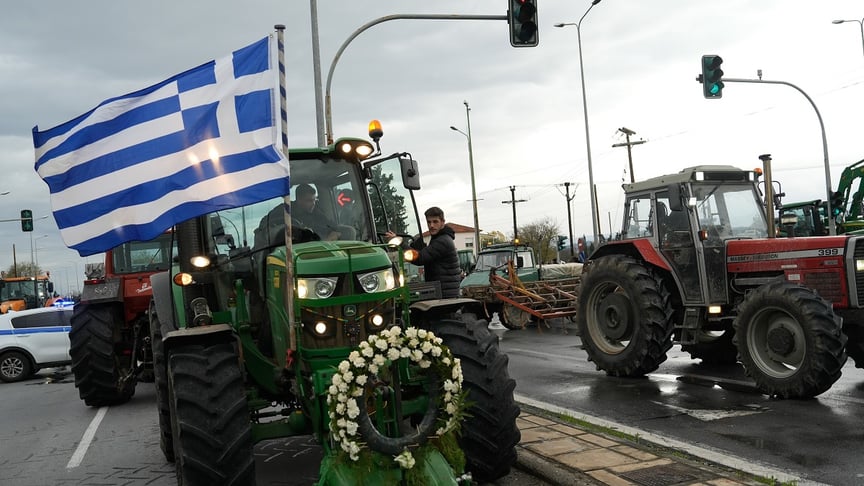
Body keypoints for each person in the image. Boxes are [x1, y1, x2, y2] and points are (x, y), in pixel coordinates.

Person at [387, 207, 462, 299]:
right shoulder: (440, 238)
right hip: (443, 292)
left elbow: (419, 258)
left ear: (442, 222)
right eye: (429, 222)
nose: (431, 225)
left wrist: (400, 243)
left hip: (444, 295)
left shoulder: (442, 241)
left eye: (435, 222)